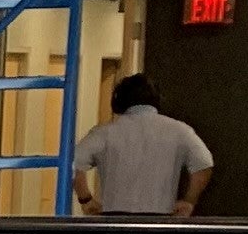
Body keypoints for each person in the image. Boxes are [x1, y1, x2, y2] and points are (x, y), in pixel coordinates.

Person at [73, 72, 214, 218]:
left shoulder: (104, 133)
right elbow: (204, 163)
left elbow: (72, 162)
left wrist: (86, 199)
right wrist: (189, 201)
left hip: (115, 219)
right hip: (161, 220)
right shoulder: (180, 131)